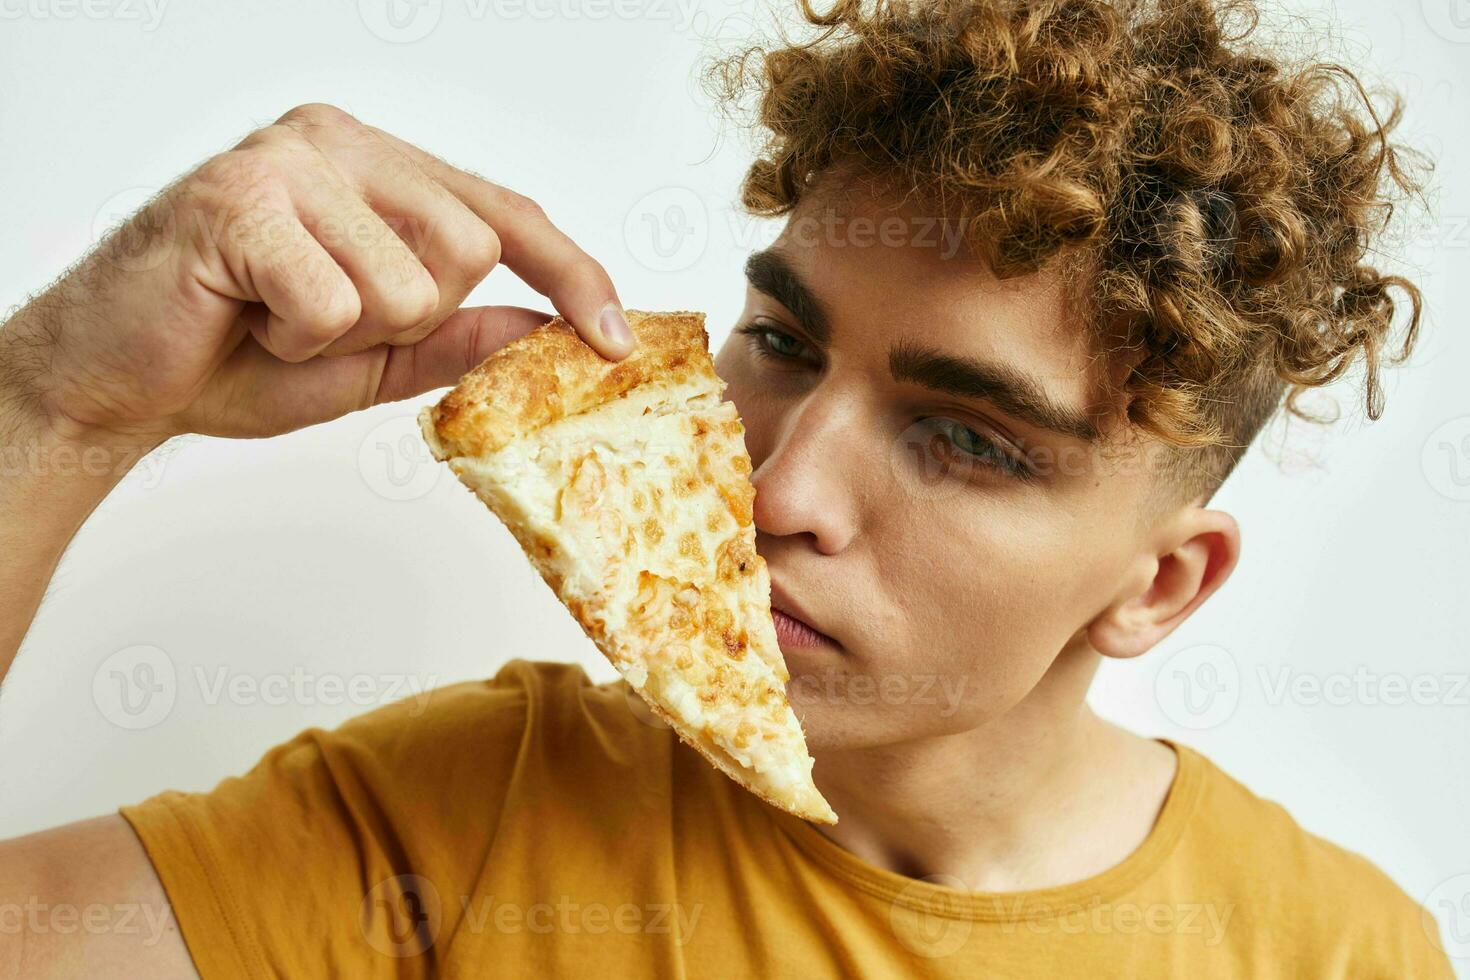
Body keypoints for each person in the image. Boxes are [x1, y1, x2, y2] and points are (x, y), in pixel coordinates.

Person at [0, 0, 1454, 975]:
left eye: (967, 438)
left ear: (1157, 585)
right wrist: (57, 400)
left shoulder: (1330, 951)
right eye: (780, 344)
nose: (779, 486)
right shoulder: (463, 814)